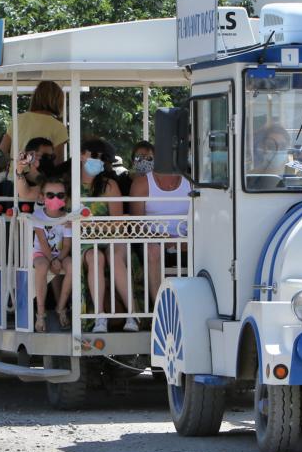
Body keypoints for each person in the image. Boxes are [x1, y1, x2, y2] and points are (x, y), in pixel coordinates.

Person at [78, 139, 135, 333]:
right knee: (96, 257)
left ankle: (132, 315)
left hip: (112, 237)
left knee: (115, 256)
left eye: (103, 158)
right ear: (81, 155)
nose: (99, 160)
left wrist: (91, 223)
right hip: (83, 242)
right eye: (94, 156)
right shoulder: (69, 185)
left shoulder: (109, 185)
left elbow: (118, 222)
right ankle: (100, 317)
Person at [130, 156, 191, 308]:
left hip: (186, 241)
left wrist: (186, 240)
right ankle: (160, 309)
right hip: (152, 240)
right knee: (153, 250)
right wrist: (163, 238)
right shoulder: (142, 183)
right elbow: (137, 226)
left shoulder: (191, 182)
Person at [31, 176, 73, 332]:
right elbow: (42, 242)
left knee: (72, 266)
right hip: (42, 254)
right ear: (42, 197)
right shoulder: (38, 215)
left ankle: (61, 307)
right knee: (42, 267)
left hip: (60, 254)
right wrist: (53, 260)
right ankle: (40, 313)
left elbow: (67, 244)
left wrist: (59, 259)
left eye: (60, 195)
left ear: (66, 198)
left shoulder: (67, 218)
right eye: (50, 195)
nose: (55, 198)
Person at [0, 80, 68, 162]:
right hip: (41, 174)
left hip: (15, 173)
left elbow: (1, 152)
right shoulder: (58, 127)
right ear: (58, 100)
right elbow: (58, 162)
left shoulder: (18, 119)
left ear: (35, 97)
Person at [16, 137, 56, 201]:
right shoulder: (17, 181)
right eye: (45, 156)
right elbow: (24, 195)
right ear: (30, 157)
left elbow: (26, 194)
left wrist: (19, 171)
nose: (49, 160)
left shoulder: (56, 179)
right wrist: (19, 170)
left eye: (52, 157)